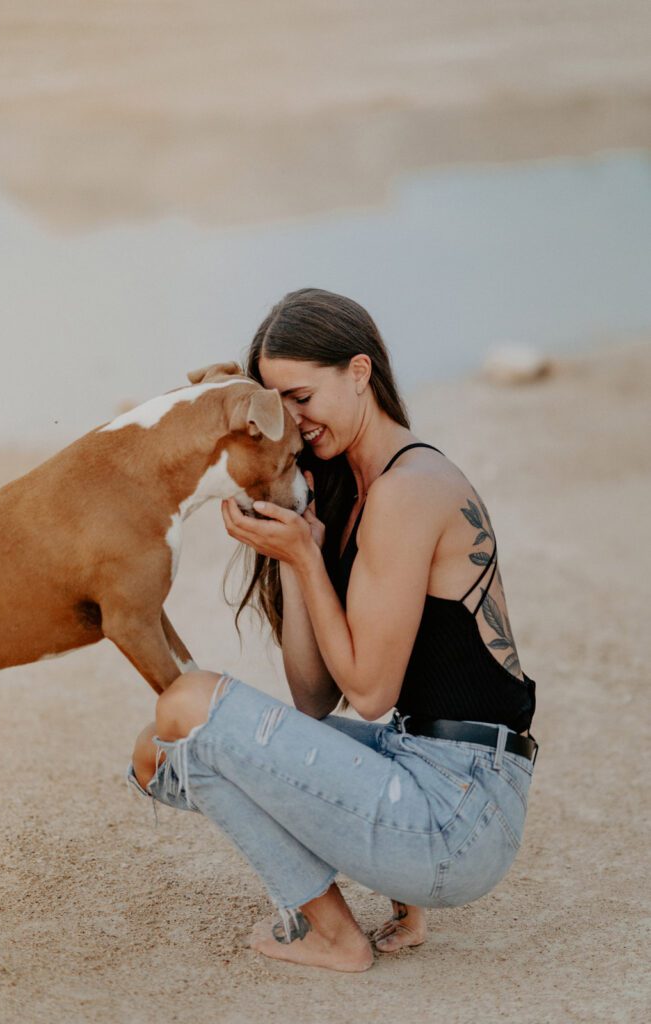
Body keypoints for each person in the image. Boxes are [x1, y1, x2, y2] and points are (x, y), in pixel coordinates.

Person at [129, 287, 538, 973]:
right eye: (276, 404)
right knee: (162, 745)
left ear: (357, 373)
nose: (290, 419)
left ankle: (333, 934)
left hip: (457, 819)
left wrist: (302, 559)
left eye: (300, 396)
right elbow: (315, 697)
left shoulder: (410, 487)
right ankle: (392, 897)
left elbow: (370, 694)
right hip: (427, 776)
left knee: (190, 710)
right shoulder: (352, 486)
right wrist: (301, 559)